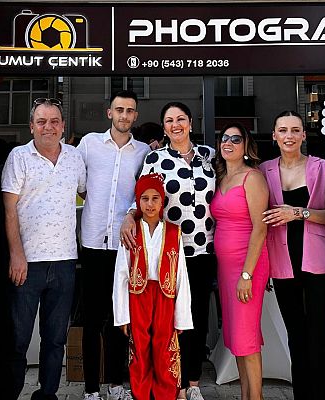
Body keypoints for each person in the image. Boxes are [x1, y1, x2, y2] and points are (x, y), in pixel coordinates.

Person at [121, 102, 216, 400]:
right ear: (164, 127)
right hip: (168, 253)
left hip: (202, 251)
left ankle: (193, 383)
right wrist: (128, 216)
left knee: (196, 317)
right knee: (167, 322)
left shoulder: (209, 157)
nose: (176, 125)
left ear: (190, 122)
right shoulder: (155, 159)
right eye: (169, 121)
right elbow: (141, 197)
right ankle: (166, 381)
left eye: (181, 119)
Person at [2, 98, 86, 400]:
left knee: (54, 339)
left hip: (65, 261)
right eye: (41, 121)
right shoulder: (18, 156)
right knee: (18, 338)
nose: (47, 127)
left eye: (53, 122)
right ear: (31, 126)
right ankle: (10, 392)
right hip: (28, 262)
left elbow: (87, 193)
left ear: (63, 126)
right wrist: (16, 254)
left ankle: (47, 394)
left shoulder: (75, 158)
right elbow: (9, 210)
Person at [259, 111, 325, 399]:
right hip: (281, 259)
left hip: (318, 258)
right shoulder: (264, 170)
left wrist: (298, 213)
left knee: (319, 330)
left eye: (295, 130)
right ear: (274, 135)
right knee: (295, 331)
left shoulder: (323, 167)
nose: (289, 135)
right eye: (283, 130)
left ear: (304, 135)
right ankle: (302, 393)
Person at [77, 90, 149, 400]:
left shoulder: (144, 152)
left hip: (127, 247)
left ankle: (117, 385)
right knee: (92, 319)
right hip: (93, 243)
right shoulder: (89, 144)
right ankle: (92, 389)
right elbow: (77, 184)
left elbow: (145, 194)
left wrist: (131, 215)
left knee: (122, 318)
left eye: (130, 111)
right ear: (110, 113)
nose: (124, 115)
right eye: (119, 109)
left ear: (135, 116)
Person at [113, 173, 193, 400]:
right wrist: (122, 316)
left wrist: (182, 317)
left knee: (164, 345)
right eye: (144, 198)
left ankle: (166, 393)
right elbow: (121, 273)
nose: (150, 204)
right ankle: (141, 393)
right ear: (138, 201)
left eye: (155, 198)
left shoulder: (173, 231)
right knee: (139, 346)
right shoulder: (130, 231)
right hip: (138, 296)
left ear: (163, 201)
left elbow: (181, 276)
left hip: (165, 296)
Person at [210, 123, 269, 400]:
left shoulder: (253, 178)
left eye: (236, 138)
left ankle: (256, 397)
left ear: (246, 146)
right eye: (224, 138)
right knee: (235, 337)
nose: (228, 143)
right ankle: (246, 395)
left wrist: (246, 274)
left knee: (246, 337)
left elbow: (260, 227)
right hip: (226, 268)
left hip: (248, 266)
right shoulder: (220, 177)